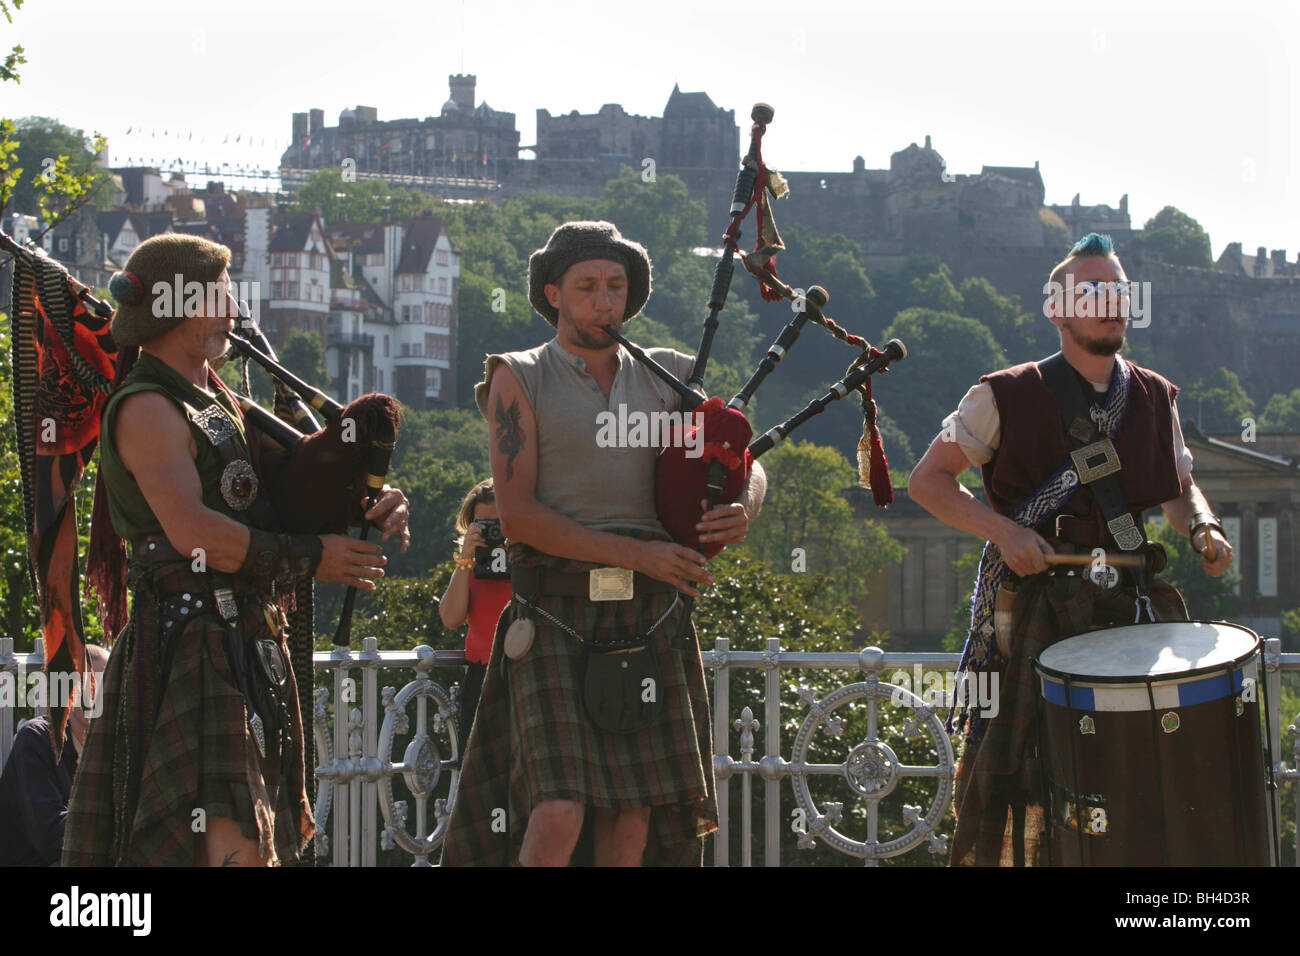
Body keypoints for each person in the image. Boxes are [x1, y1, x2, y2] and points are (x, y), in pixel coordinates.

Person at [61, 233, 410, 867]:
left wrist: (375, 502)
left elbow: (301, 487)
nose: (233, 308)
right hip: (185, 642)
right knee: (227, 846)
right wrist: (312, 558)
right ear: (179, 305)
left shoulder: (220, 401)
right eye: (221, 293)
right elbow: (197, 532)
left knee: (253, 840)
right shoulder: (147, 405)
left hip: (245, 640)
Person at [442, 220, 767, 866]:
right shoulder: (520, 376)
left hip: (652, 615)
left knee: (629, 817)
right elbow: (519, 516)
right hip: (555, 611)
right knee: (558, 809)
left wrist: (743, 506)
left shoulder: (673, 376)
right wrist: (638, 553)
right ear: (553, 293)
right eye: (587, 286)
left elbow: (743, 458)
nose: (604, 301)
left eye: (616, 286)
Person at [908, 232, 1232, 866]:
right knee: (1025, 781)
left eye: (1117, 290)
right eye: (1092, 291)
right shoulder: (1002, 393)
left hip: (1130, 607)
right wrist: (1005, 531)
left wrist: (1203, 528)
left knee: (1136, 776)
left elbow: (1181, 486)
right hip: (1032, 607)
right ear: (1057, 309)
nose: (1110, 302)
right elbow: (927, 481)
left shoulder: (1155, 397)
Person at [0, 646, 108, 866]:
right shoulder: (36, 740)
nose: (98, 698)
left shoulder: (115, 746)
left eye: (108, 687)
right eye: (89, 687)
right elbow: (52, 837)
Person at [439, 478, 513, 755]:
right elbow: (450, 618)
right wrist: (466, 557)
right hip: (482, 675)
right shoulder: (470, 564)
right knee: (479, 769)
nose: (493, 531)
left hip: (525, 670)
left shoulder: (532, 558)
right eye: (483, 524)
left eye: (499, 522)